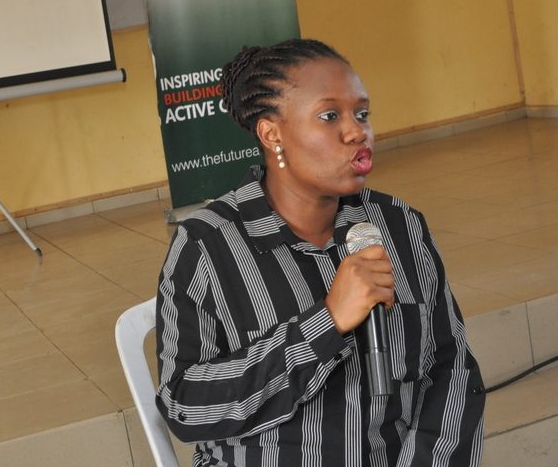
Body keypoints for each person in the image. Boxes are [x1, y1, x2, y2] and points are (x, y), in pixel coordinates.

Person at [155, 39, 485, 466]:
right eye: (330, 116)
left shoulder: (399, 225)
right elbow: (185, 407)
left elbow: (451, 369)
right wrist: (325, 323)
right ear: (271, 134)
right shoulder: (206, 246)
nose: (357, 132)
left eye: (362, 114)